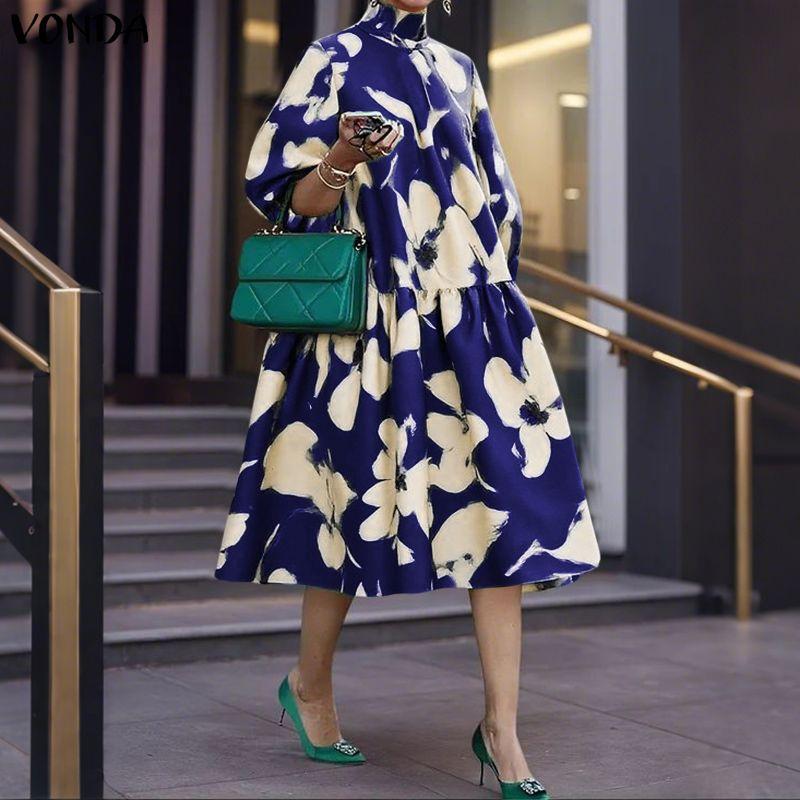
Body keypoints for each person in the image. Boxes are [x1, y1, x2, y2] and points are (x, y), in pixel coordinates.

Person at [215, 1, 601, 797]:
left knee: (501, 515)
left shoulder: (460, 70)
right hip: (368, 326)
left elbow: (496, 202)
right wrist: (342, 156)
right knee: (347, 506)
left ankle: (502, 732)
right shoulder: (330, 59)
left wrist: (496, 311)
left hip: (473, 320)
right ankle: (309, 685)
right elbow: (290, 202)